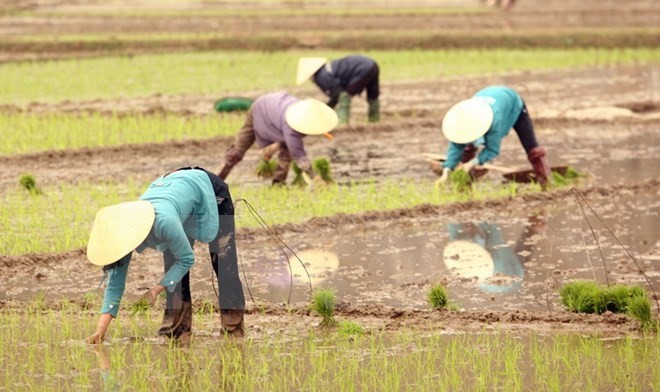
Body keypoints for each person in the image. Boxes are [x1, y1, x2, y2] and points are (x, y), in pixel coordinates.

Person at [85, 167, 245, 344]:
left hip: (210, 191)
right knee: (172, 269)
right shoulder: (123, 236)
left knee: (223, 262)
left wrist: (155, 290)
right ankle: (177, 331)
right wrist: (100, 331)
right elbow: (115, 285)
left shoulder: (163, 222)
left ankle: (233, 330)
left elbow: (186, 259)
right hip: (176, 197)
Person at [435, 86, 551, 187]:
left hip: (513, 103)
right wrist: (446, 171)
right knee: (467, 149)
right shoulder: (464, 119)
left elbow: (492, 150)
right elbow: (456, 146)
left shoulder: (493, 121)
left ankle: (547, 184)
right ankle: (465, 189)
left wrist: (471, 164)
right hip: (489, 97)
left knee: (532, 147)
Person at [218, 92, 338, 185]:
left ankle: (278, 182)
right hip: (260, 110)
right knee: (238, 150)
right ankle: (217, 180)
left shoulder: (304, 116)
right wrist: (316, 179)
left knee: (286, 148)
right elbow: (299, 155)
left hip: (274, 108)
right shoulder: (292, 124)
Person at [296, 55, 380, 125]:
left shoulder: (321, 76)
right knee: (373, 94)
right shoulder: (327, 68)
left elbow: (337, 94)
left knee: (345, 96)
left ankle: (343, 122)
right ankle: (374, 120)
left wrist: (326, 109)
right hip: (372, 65)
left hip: (362, 69)